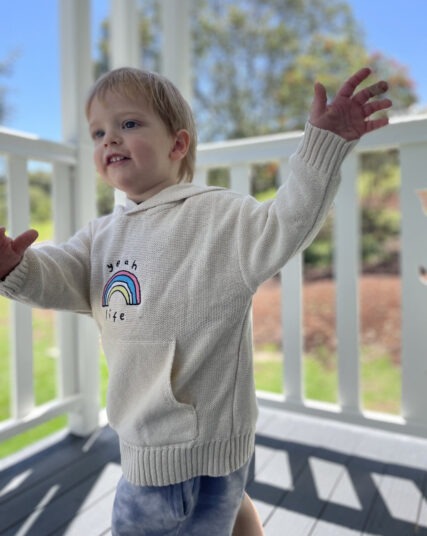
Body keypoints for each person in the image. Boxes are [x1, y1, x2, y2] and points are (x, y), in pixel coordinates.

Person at [0, 66, 391, 535]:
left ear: (178, 144)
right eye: (98, 132)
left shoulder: (218, 215)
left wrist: (323, 145)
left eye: (128, 124)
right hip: (150, 441)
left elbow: (286, 222)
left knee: (203, 507)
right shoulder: (100, 236)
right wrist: (15, 268)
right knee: (225, 507)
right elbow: (57, 274)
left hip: (198, 444)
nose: (109, 141)